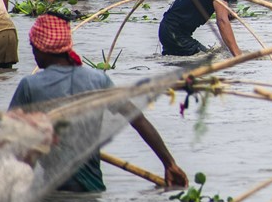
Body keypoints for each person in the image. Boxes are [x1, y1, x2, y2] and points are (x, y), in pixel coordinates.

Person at [10, 13, 187, 191]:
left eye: (33, 48)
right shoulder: (97, 80)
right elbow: (137, 119)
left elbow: (9, 138)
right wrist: (169, 163)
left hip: (51, 191)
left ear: (42, 48)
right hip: (92, 190)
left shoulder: (30, 85)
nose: (33, 54)